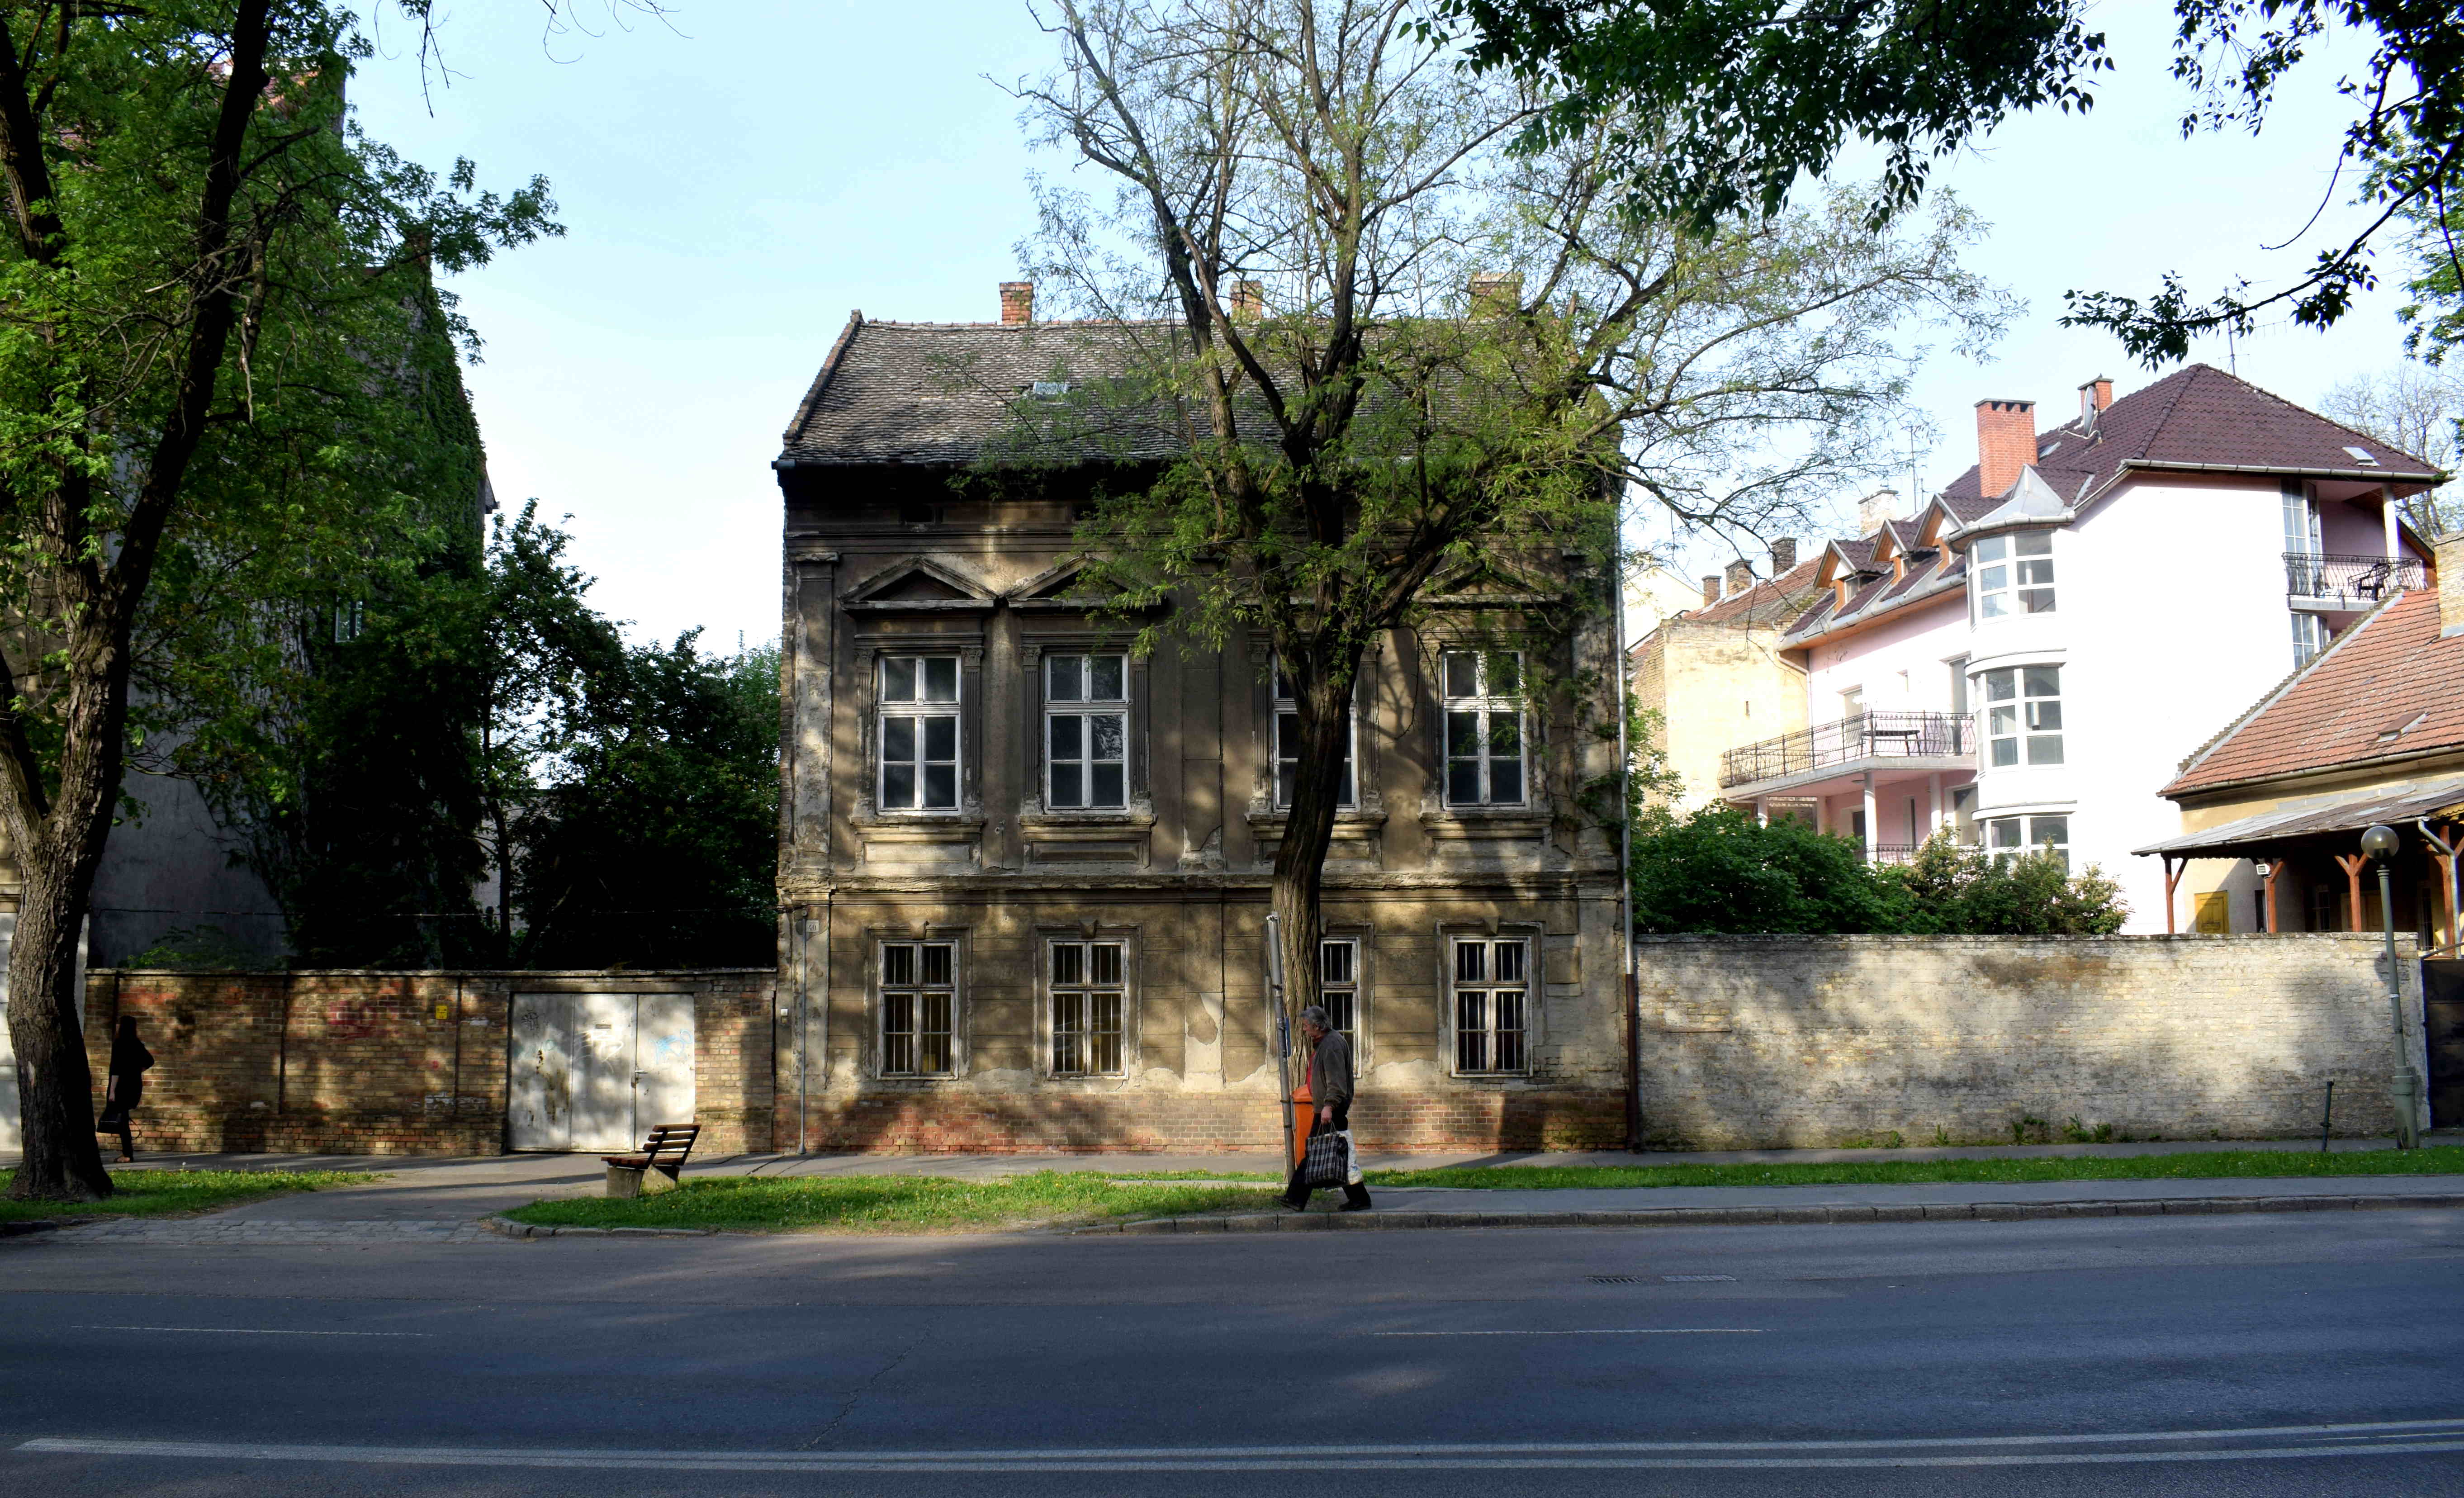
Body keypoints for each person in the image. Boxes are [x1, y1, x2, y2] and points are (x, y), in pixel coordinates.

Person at [1280, 1005, 1371, 1212]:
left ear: (1318, 1026)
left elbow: (1336, 1081)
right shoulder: (1326, 1042)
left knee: (1316, 1152)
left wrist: (1329, 1106)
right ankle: (1359, 1198)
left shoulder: (1331, 1045)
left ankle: (1295, 1198)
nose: (1304, 1030)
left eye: (1306, 1026)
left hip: (1330, 1110)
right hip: (1327, 1108)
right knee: (1338, 1153)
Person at [96, 1016, 153, 1163]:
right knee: (123, 1120)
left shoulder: (119, 1044)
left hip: (121, 1087)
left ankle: (127, 1154)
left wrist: (113, 1091)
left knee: (122, 1122)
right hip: (134, 1086)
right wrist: (134, 1072)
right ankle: (127, 1153)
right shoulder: (137, 1044)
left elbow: (116, 1069)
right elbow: (150, 1061)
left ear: (121, 1027)